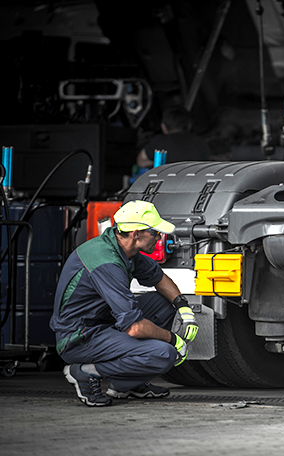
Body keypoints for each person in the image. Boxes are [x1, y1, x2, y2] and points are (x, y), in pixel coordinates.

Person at [50, 200, 199, 407]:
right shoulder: (106, 262)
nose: (158, 237)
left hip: (104, 322)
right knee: (164, 354)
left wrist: (183, 307)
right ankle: (85, 372)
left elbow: (158, 278)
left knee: (163, 304)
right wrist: (174, 339)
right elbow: (134, 328)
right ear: (136, 233)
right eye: (154, 232)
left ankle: (126, 384)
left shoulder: (124, 249)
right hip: (80, 336)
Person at [136, 106, 212, 168]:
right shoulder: (200, 142)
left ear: (163, 127)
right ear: (189, 125)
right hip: (195, 184)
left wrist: (160, 162)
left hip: (168, 184)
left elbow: (141, 161)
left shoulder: (160, 141)